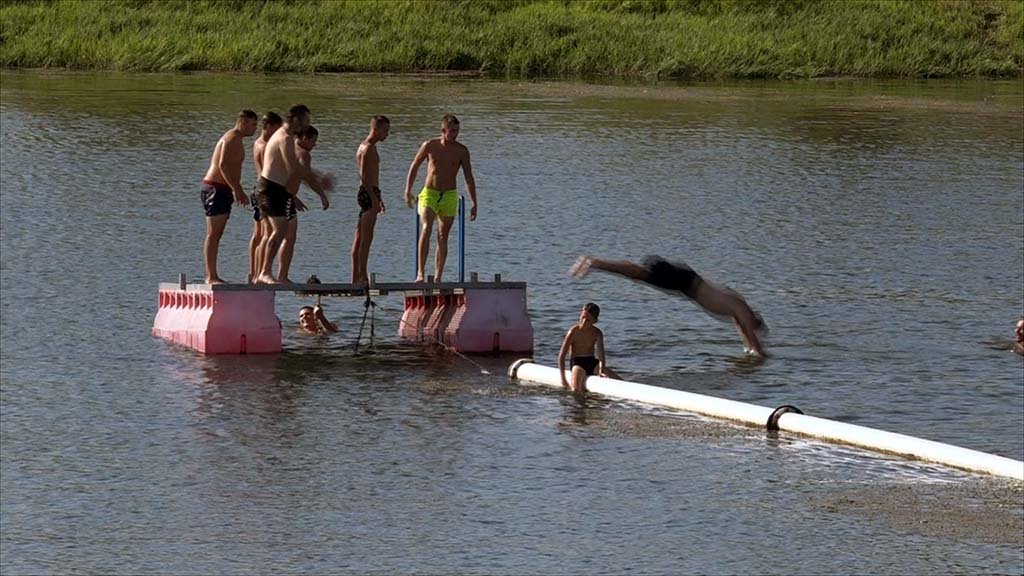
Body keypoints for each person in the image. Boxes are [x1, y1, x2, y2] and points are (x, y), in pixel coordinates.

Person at [570, 255, 767, 357]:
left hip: (687, 282)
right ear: (754, 319)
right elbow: (752, 342)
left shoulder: (737, 309)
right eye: (753, 326)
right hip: (687, 283)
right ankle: (595, 263)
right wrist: (762, 355)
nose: (748, 328)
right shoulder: (741, 309)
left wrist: (750, 350)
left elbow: (745, 337)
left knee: (640, 275)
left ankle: (596, 263)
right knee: (639, 274)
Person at [253, 104, 331, 285]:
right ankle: (264, 272)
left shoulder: (285, 136)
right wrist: (320, 181)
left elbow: (297, 170)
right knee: (278, 230)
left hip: (276, 189)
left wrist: (318, 182)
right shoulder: (284, 137)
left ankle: (264, 274)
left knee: (279, 231)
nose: (307, 125)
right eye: (306, 121)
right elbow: (294, 168)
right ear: (296, 119)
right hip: (269, 188)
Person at [404, 114, 478, 282]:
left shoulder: (461, 151)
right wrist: (407, 190)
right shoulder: (430, 146)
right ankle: (421, 273)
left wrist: (474, 202)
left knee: (443, 236)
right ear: (443, 131)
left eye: (457, 131)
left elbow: (468, 177)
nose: (454, 134)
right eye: (451, 131)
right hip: (430, 193)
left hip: (449, 195)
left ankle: (438, 277)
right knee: (427, 227)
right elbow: (414, 166)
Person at [200, 109, 258, 284]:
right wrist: (237, 189)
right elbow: (223, 165)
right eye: (253, 124)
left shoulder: (236, 139)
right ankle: (211, 276)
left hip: (221, 189)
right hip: (216, 188)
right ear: (242, 122)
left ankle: (213, 275)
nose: (255, 129)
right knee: (213, 234)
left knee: (217, 233)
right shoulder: (232, 138)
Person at [277, 125, 331, 284]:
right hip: (284, 198)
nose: (314, 145)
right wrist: (322, 194)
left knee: (270, 235)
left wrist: (293, 197)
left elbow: (290, 175)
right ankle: (282, 276)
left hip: (281, 195)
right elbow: (307, 177)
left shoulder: (288, 149)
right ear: (304, 138)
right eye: (313, 141)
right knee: (289, 237)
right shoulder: (303, 154)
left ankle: (261, 273)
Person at [351, 115, 390, 284]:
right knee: (365, 239)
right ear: (376, 129)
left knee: (360, 236)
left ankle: (356, 276)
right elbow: (365, 178)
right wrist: (374, 199)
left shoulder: (366, 147)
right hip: (368, 192)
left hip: (370, 192)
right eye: (385, 130)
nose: (386, 135)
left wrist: (378, 198)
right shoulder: (368, 149)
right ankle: (361, 276)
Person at [248, 111, 283, 284]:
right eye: (275, 130)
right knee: (266, 234)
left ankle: (255, 273)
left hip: (259, 191)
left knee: (260, 234)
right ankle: (259, 273)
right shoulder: (264, 146)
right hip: (264, 192)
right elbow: (266, 174)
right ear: (267, 126)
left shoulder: (259, 143)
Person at [557, 302, 612, 398]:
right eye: (582, 317)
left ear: (595, 321)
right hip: (578, 363)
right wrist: (563, 379)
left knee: (618, 380)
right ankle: (581, 410)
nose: (584, 322)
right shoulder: (573, 332)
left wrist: (601, 369)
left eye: (588, 320)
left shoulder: (597, 333)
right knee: (576, 390)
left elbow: (601, 354)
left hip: (591, 362)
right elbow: (561, 356)